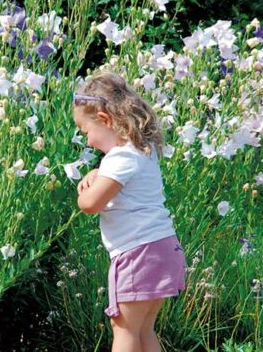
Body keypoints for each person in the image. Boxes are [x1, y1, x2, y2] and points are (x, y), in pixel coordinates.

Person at [72, 71, 186, 352]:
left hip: (138, 253)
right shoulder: (141, 151)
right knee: (143, 329)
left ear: (105, 120)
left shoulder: (119, 158)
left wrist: (83, 191)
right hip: (162, 248)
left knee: (123, 329)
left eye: (86, 131)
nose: (88, 142)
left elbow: (90, 205)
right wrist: (98, 171)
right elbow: (122, 181)